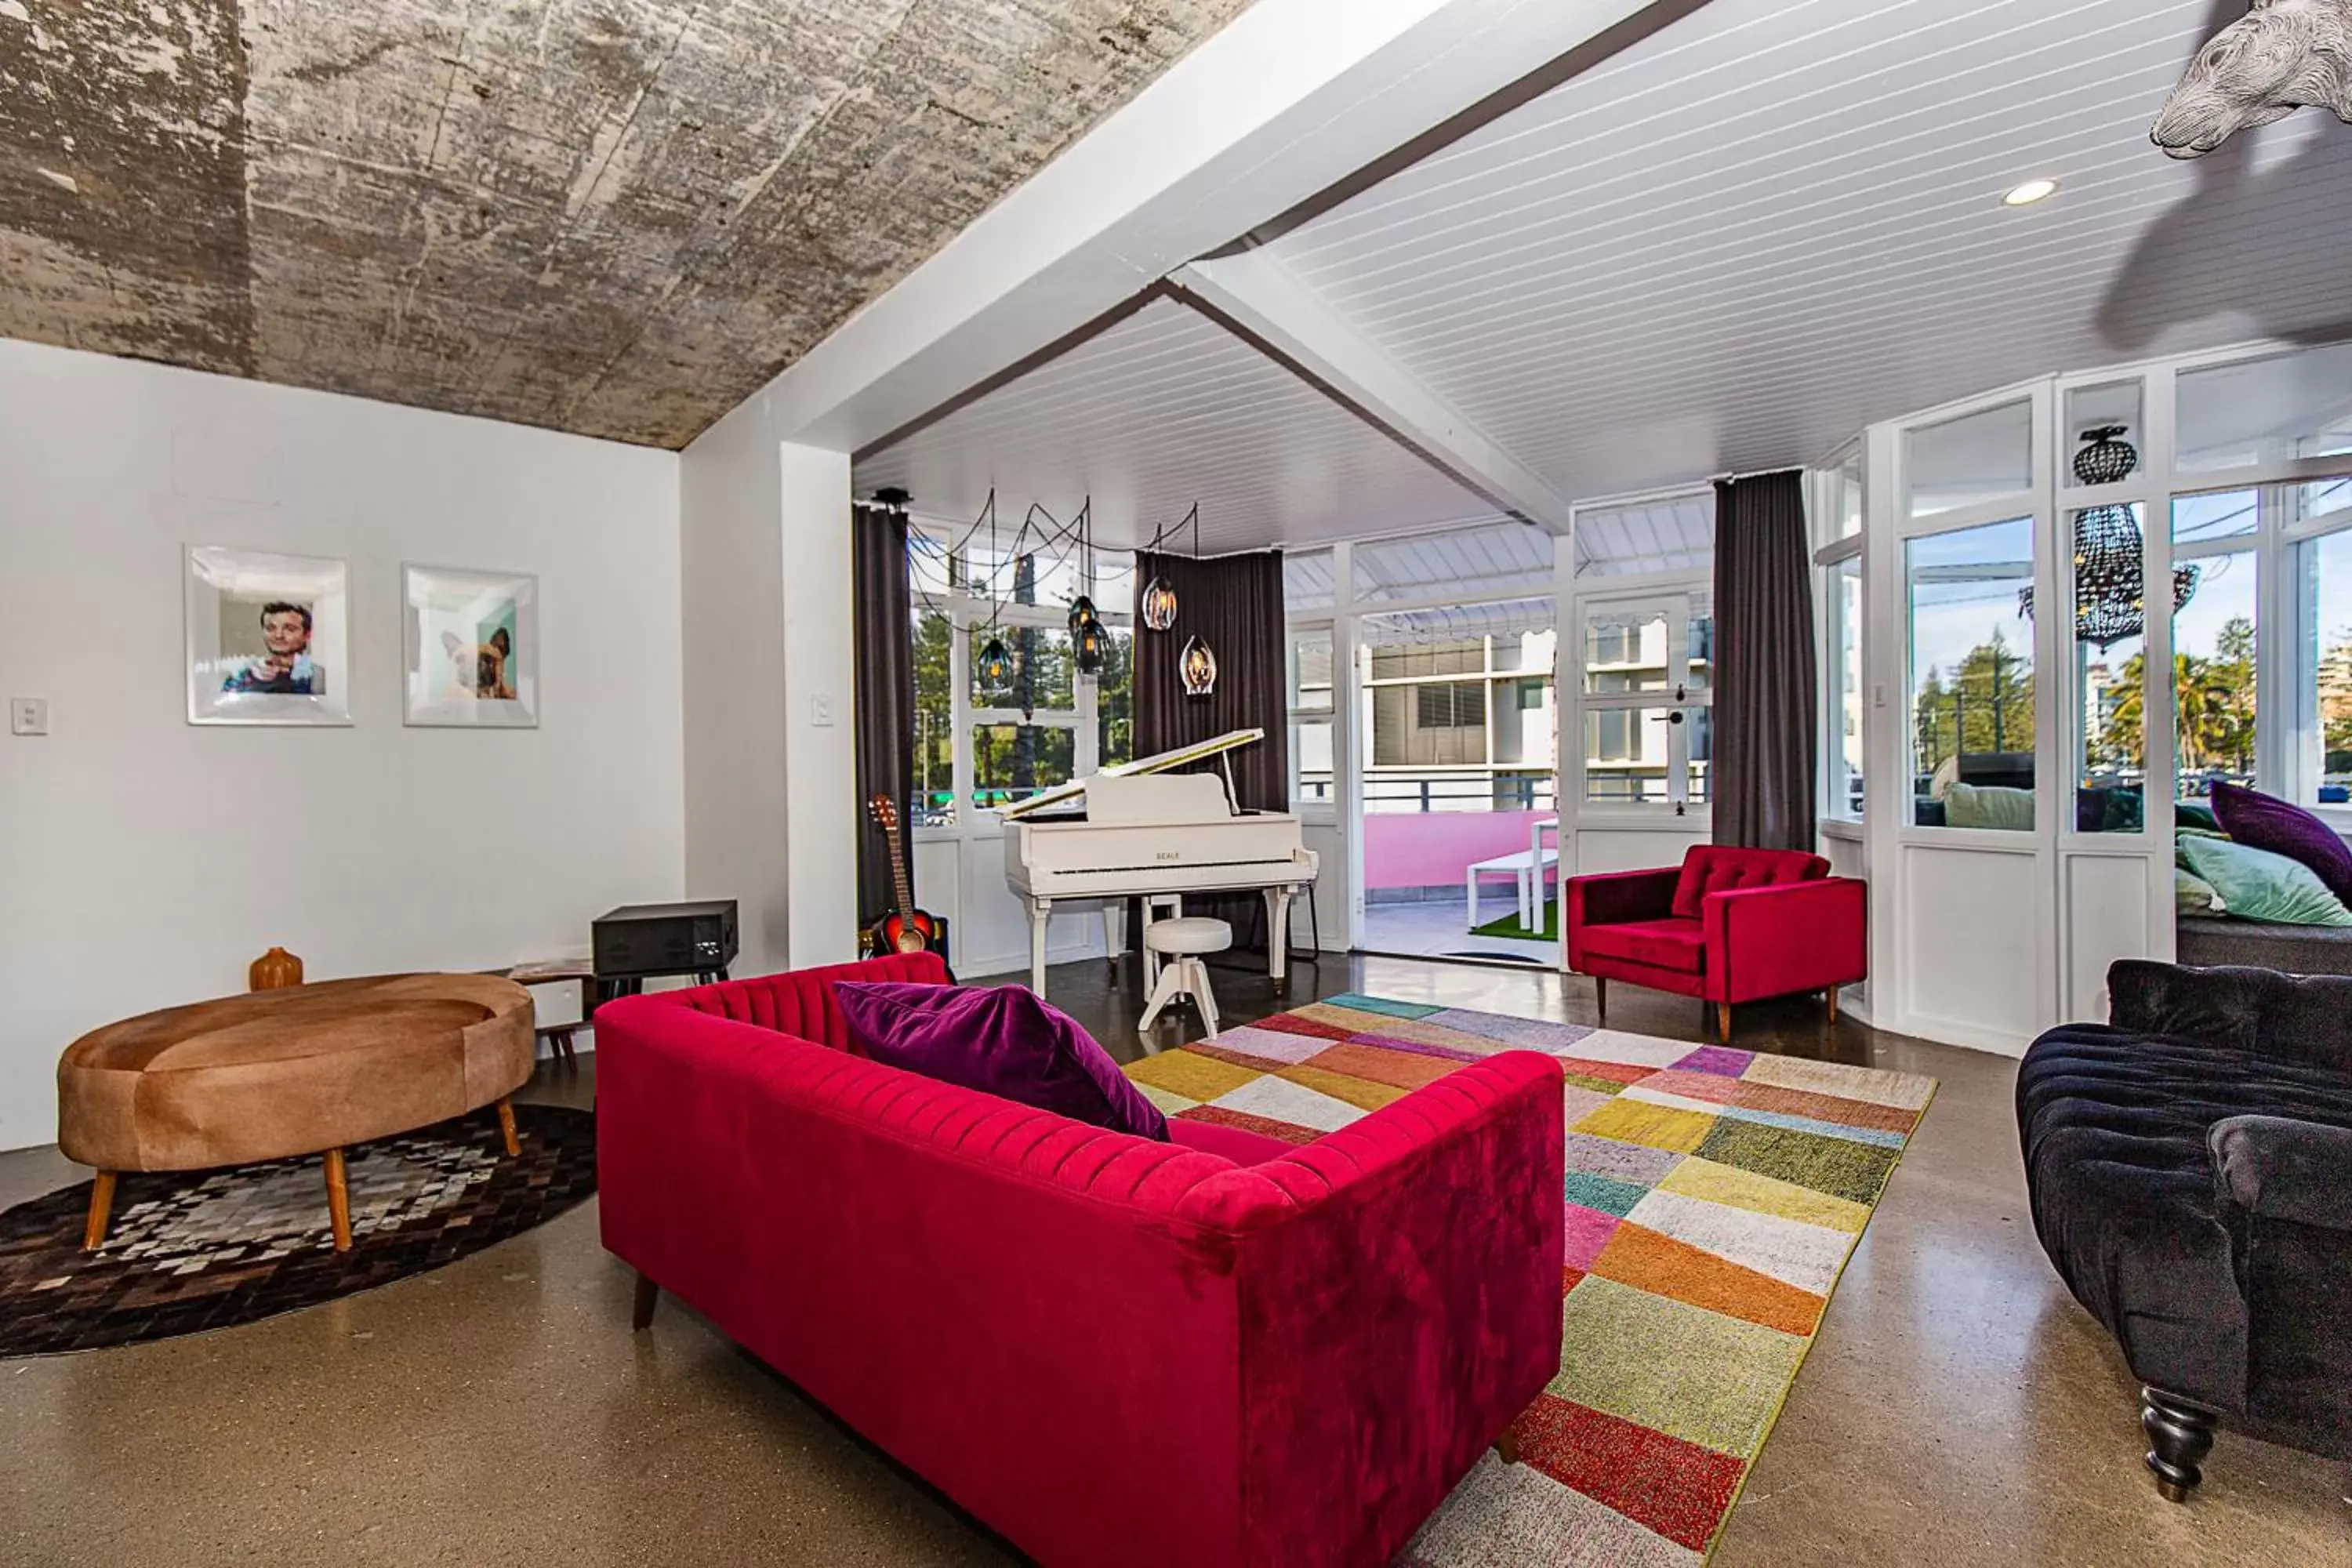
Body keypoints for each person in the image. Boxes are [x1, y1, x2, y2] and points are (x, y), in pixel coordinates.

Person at [222, 601, 324, 695]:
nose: (278, 635)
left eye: (290, 629)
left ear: (307, 635)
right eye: (271, 628)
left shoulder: (318, 677)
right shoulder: (242, 677)